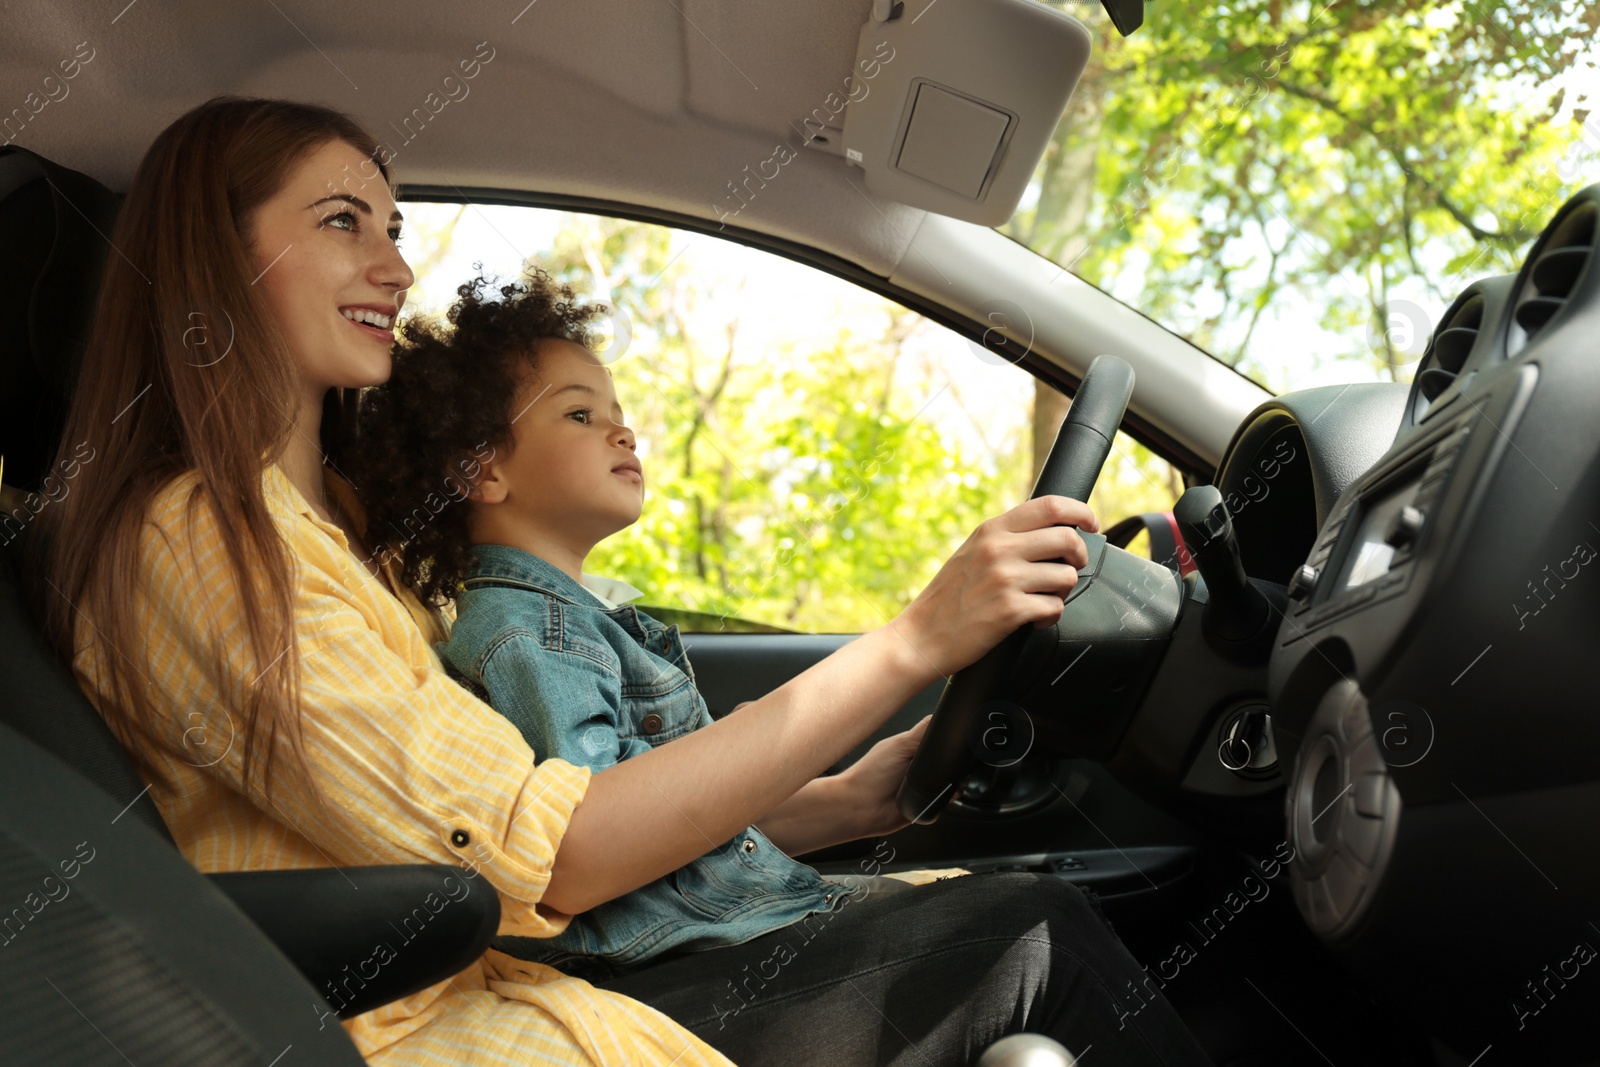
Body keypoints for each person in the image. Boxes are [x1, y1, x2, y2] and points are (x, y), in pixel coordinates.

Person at [27, 96, 1213, 1066]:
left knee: (1018, 913)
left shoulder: (345, 536)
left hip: (526, 975)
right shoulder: (191, 542)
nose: (394, 264)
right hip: (439, 1024)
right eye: (345, 221)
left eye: (393, 227)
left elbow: (583, 796)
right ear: (213, 260)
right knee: (1031, 938)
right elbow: (556, 846)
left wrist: (849, 798)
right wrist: (912, 642)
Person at [346, 268, 926, 984]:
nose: (622, 428)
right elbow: (603, 838)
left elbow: (677, 831)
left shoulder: (573, 618)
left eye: (616, 410)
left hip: (708, 924)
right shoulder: (529, 633)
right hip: (667, 960)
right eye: (579, 415)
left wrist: (858, 796)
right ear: (480, 470)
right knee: (1029, 922)